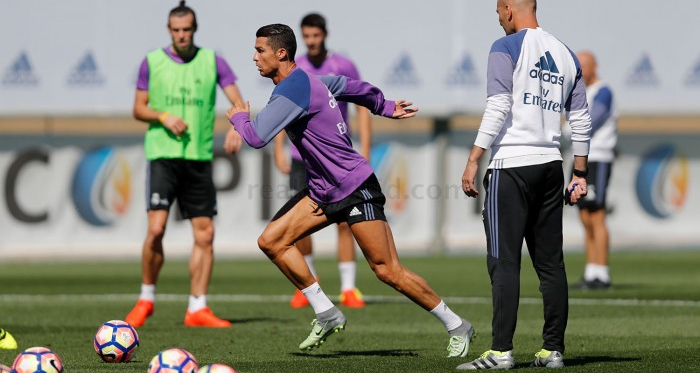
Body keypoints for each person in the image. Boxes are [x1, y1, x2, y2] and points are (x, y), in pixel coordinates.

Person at [227, 23, 475, 356]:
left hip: (355, 186)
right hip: (323, 192)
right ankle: (326, 312)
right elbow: (348, 86)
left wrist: (240, 117)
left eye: (260, 50)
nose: (254, 57)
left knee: (387, 270)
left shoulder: (293, 89)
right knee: (271, 241)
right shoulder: (309, 81)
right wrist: (383, 105)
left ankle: (457, 325)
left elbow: (256, 137)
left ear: (281, 53)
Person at [458, 0, 591, 369]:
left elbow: (499, 105)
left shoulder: (505, 46)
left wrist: (473, 158)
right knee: (551, 265)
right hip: (551, 166)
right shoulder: (566, 54)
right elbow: (580, 119)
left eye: (498, 11)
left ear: (508, 8)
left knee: (504, 262)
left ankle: (501, 352)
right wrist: (579, 173)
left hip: (511, 167)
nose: (498, 18)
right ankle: (553, 351)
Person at [125, 0, 244, 328]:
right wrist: (163, 115)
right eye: (176, 30)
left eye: (186, 29)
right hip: (163, 155)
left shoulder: (212, 61)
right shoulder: (152, 62)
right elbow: (138, 107)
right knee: (156, 229)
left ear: (194, 29)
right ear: (169, 30)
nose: (181, 35)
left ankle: (197, 307)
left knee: (205, 234)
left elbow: (238, 102)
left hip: (199, 157)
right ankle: (146, 299)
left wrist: (237, 126)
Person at [273, 12, 372, 309]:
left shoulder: (342, 65)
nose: (312, 41)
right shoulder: (297, 67)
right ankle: (309, 281)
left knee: (346, 221)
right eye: (307, 37)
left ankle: (349, 287)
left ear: (325, 35)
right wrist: (279, 148)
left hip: (337, 155)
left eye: (316, 36)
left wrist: (365, 146)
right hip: (302, 155)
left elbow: (362, 105)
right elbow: (281, 108)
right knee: (301, 224)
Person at [573, 51, 617, 290]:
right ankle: (591, 271)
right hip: (581, 157)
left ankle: (603, 272)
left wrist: (569, 130)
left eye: (584, 66)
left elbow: (593, 120)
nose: (580, 71)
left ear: (594, 67)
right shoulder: (582, 91)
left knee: (597, 213)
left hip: (598, 158)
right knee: (584, 215)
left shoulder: (603, 91)